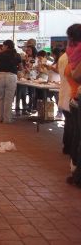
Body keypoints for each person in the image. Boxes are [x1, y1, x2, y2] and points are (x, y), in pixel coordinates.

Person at [64, 24, 81, 187]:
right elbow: (76, 75)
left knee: (77, 136)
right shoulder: (77, 52)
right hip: (77, 97)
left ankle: (75, 171)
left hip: (74, 98)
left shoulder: (70, 52)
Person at [0, 40, 22, 123]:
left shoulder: (0, 54)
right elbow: (20, 68)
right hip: (11, 76)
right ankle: (7, 119)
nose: (2, 47)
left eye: (3, 46)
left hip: (0, 75)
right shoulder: (17, 55)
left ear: (6, 46)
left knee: (0, 97)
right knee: (8, 99)